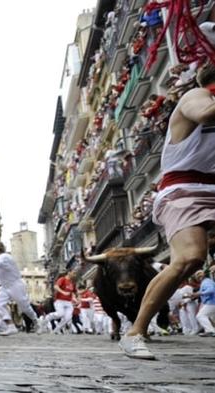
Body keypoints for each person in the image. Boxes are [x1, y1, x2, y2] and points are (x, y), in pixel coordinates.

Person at [119, 62, 215, 360]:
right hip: (184, 189)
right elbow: (205, 114)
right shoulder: (195, 96)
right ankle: (134, 333)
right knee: (189, 258)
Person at [0, 241, 38, 335]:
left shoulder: (5, 257)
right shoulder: (2, 257)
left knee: (25, 307)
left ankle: (37, 322)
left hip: (15, 285)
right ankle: (11, 326)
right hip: (5, 287)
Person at [188, 270, 215, 337]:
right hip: (211, 302)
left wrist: (199, 293)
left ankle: (210, 331)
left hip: (211, 302)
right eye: (197, 275)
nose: (198, 275)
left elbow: (211, 290)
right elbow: (202, 292)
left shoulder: (206, 282)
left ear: (204, 274)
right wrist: (194, 294)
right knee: (208, 317)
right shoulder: (206, 282)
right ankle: (209, 330)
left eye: (199, 273)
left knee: (200, 316)